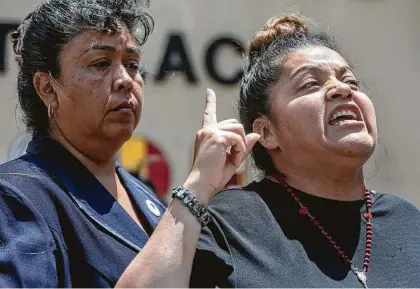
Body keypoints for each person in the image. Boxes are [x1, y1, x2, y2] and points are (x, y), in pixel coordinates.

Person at [0, 0, 259, 287]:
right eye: (100, 63)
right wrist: (195, 190)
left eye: (133, 64)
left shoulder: (144, 196)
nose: (125, 79)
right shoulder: (16, 196)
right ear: (47, 88)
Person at [187, 14, 420, 288]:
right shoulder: (229, 223)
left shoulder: (406, 220)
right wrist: (197, 185)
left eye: (351, 82)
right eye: (310, 83)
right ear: (267, 132)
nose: (341, 89)